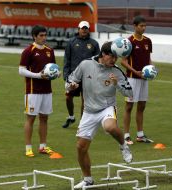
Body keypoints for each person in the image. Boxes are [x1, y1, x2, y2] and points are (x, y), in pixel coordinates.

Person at [66, 41, 133, 189]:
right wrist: (71, 85)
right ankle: (88, 179)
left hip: (107, 107)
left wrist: (117, 84)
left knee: (109, 127)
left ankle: (124, 145)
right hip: (89, 111)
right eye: (112, 57)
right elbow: (70, 80)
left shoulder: (116, 71)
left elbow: (129, 93)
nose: (114, 61)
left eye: (116, 58)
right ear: (104, 54)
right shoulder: (85, 65)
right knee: (81, 147)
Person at [19, 25, 59, 157]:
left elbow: (53, 68)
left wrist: (56, 74)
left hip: (47, 90)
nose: (44, 38)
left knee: (44, 118)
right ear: (34, 36)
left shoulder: (50, 51)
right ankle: (28, 148)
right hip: (33, 90)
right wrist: (38, 75)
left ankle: (43, 146)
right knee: (30, 119)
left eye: (45, 35)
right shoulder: (28, 51)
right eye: (41, 35)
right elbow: (21, 70)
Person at [121, 15, 154, 145]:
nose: (143, 28)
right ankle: (126, 135)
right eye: (141, 26)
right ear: (134, 26)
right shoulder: (129, 42)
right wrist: (135, 72)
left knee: (142, 106)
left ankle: (140, 135)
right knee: (129, 106)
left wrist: (152, 69)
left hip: (144, 79)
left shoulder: (148, 41)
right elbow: (123, 62)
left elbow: (148, 58)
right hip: (132, 79)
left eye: (145, 26)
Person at [62, 20, 100, 128]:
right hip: (74, 76)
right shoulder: (71, 42)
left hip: (89, 77)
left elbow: (98, 61)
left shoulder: (94, 43)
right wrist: (66, 75)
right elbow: (66, 60)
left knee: (85, 101)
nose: (84, 30)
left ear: (88, 30)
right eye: (82, 28)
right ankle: (71, 116)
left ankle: (83, 123)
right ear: (78, 29)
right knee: (68, 97)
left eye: (86, 28)